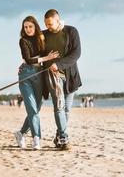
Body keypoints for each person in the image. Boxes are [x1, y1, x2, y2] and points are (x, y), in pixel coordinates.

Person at [14, 16, 59, 149]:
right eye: (25, 27)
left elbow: (55, 30)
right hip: (26, 75)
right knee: (32, 109)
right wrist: (46, 58)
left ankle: (21, 133)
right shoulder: (23, 41)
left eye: (30, 26)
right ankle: (36, 139)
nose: (28, 29)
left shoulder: (42, 37)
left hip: (39, 75)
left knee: (36, 109)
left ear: (35, 26)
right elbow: (28, 60)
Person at [42, 9, 82, 150]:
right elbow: (36, 53)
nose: (48, 27)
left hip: (70, 77)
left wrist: (58, 64)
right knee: (59, 106)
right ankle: (64, 138)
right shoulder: (43, 35)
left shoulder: (71, 32)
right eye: (46, 24)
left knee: (66, 110)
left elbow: (76, 53)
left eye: (50, 24)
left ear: (58, 20)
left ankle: (59, 136)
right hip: (53, 77)